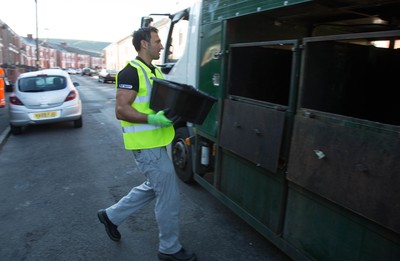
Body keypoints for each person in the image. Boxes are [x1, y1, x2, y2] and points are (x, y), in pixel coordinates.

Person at [97, 26, 196, 261]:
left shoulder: (154, 72)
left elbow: (159, 104)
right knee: (168, 194)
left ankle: (110, 216)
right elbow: (121, 110)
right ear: (144, 44)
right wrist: (152, 118)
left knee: (156, 186)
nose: (163, 45)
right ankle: (169, 249)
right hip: (145, 145)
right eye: (158, 41)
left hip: (157, 142)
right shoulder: (131, 72)